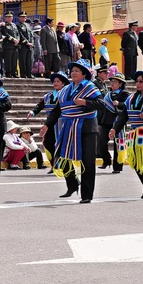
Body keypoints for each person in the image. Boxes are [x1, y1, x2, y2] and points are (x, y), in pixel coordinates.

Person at [39, 59, 103, 204]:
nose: (73, 73)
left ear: (84, 74)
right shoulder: (65, 90)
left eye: (77, 71)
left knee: (87, 162)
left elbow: (101, 104)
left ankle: (87, 194)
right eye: (72, 70)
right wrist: (47, 125)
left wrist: (85, 102)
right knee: (62, 156)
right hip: (68, 127)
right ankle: (73, 184)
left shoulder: (90, 87)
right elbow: (57, 110)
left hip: (87, 128)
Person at [109, 70, 143, 198]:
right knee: (136, 162)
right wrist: (115, 129)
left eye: (141, 82)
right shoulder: (131, 98)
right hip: (135, 133)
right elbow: (124, 116)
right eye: (137, 81)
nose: (138, 84)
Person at [28, 71, 69, 172]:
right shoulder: (48, 95)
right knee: (48, 143)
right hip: (50, 124)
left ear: (63, 83)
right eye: (54, 81)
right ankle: (54, 164)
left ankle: (63, 164)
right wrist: (32, 112)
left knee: (61, 144)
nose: (55, 83)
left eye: (58, 81)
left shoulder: (66, 95)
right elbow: (40, 105)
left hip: (63, 123)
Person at [98, 72, 129, 174]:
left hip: (117, 122)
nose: (112, 83)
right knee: (101, 142)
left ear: (120, 84)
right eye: (111, 81)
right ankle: (106, 160)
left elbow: (126, 106)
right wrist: (100, 122)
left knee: (118, 144)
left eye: (115, 82)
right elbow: (103, 109)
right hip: (106, 121)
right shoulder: (108, 94)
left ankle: (117, 166)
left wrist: (119, 104)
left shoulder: (124, 94)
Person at [1, 12, 20, 78]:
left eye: (11, 17)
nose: (9, 18)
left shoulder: (14, 25)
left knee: (14, 59)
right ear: (5, 18)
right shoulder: (4, 25)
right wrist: (13, 40)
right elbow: (5, 34)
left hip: (15, 45)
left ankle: (14, 72)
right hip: (8, 45)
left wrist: (18, 40)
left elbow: (17, 33)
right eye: (8, 17)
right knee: (8, 60)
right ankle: (8, 72)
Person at [16, 12, 33, 78]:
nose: (24, 18)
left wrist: (32, 42)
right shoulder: (18, 25)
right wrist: (27, 42)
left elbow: (31, 34)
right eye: (22, 17)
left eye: (25, 17)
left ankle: (29, 73)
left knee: (29, 61)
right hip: (23, 45)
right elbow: (20, 35)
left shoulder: (27, 25)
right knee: (22, 61)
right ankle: (23, 74)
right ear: (19, 18)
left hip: (30, 46)